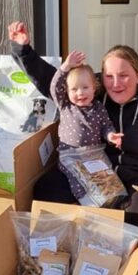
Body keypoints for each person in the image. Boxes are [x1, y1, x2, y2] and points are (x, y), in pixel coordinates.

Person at [7, 21, 138, 224]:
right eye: (109, 76)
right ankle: (63, 249)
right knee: (48, 189)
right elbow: (54, 82)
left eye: (124, 75)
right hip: (93, 168)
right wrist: (24, 50)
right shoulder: (95, 91)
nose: (116, 83)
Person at [51, 50, 124, 206]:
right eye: (74, 89)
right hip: (71, 154)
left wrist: (111, 136)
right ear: (67, 91)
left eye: (85, 87)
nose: (80, 93)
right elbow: (55, 87)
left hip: (94, 153)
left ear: (94, 87)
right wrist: (65, 66)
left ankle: (110, 201)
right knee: (78, 178)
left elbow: (106, 126)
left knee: (106, 178)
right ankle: (86, 202)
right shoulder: (65, 106)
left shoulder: (98, 107)